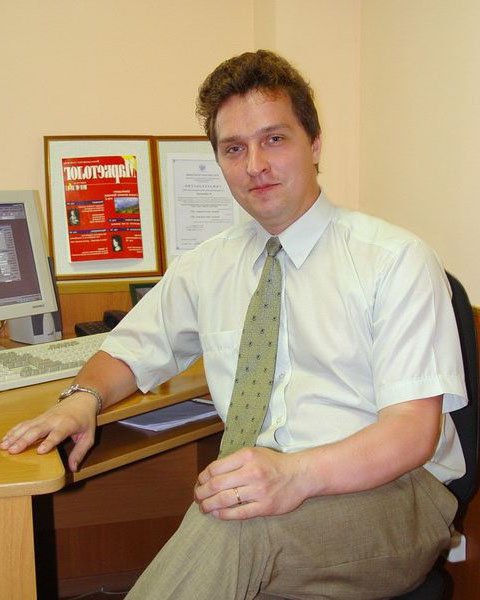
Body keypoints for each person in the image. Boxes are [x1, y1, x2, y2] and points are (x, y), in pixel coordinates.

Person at [1, 50, 468, 599]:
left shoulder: (393, 260)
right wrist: (83, 399)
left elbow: (412, 432)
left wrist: (294, 475)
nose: (255, 166)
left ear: (315, 145)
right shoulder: (208, 265)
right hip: (263, 497)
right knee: (231, 520)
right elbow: (130, 348)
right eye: (234, 149)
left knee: (232, 526)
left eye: (275, 139)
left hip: (394, 496)